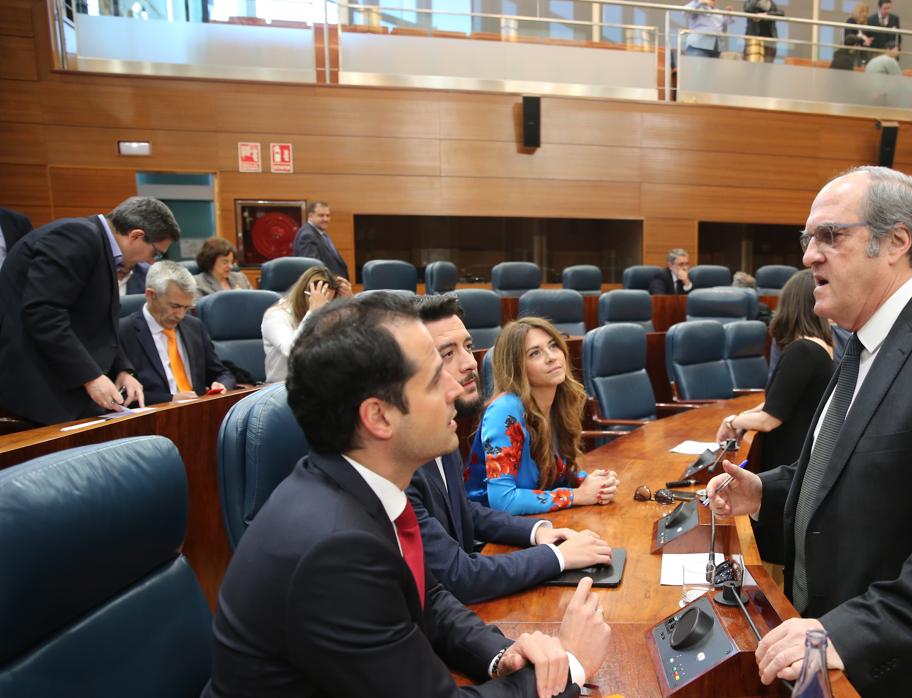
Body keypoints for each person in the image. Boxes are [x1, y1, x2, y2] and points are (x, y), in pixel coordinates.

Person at [705, 166, 912, 696]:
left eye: (830, 236)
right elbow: (842, 465)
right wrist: (764, 490)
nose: (809, 254)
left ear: (896, 243)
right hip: (852, 659)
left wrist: (844, 633)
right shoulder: (858, 344)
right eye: (807, 238)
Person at [205, 293, 611, 697]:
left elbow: (427, 596)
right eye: (436, 377)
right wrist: (571, 665)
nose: (457, 386)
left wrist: (501, 655)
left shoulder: (358, 486)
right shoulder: (336, 553)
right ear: (379, 416)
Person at [406, 295, 613, 604]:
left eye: (468, 345)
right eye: (447, 354)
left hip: (478, 573)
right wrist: (556, 552)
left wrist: (540, 529)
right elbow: (458, 573)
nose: (470, 362)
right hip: (478, 564)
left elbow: (464, 509)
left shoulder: (443, 434)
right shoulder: (500, 413)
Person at [0, 196, 179, 425]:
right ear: (136, 236)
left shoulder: (99, 245)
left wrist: (123, 370)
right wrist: (91, 376)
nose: (151, 262)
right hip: (35, 385)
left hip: (59, 380)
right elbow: (44, 314)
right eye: (156, 253)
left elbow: (99, 321)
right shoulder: (76, 236)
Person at [715, 270, 835, 564]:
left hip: (786, 457)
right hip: (799, 453)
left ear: (790, 305)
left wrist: (732, 422)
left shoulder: (802, 350)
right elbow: (775, 401)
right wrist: (740, 416)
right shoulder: (821, 348)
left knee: (773, 553)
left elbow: (771, 417)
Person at [467, 317, 619, 515]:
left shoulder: (557, 402)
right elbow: (502, 502)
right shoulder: (505, 411)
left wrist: (586, 480)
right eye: (535, 353)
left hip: (535, 523)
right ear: (517, 367)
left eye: (553, 346)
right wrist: (577, 495)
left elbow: (552, 474)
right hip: (488, 534)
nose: (551, 357)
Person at [118, 261, 235, 405]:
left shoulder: (194, 326)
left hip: (199, 413)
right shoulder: (123, 332)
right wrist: (170, 400)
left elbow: (222, 373)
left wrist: (221, 384)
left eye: (186, 307)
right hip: (153, 420)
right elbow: (119, 395)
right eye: (175, 306)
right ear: (150, 295)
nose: (180, 315)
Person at [262, 264, 354, 382]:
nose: (325, 308)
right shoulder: (276, 315)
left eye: (329, 302)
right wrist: (312, 312)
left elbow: (352, 346)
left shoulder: (324, 313)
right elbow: (291, 350)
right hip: (281, 388)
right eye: (323, 302)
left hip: (317, 386)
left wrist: (349, 306)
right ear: (304, 294)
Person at [292, 200, 349, 280]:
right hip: (322, 287)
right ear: (310, 216)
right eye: (321, 215)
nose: (325, 219)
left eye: (328, 215)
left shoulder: (320, 233)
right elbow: (312, 269)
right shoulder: (308, 235)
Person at [843, 2, 873, 66]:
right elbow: (848, 37)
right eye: (862, 11)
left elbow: (870, 37)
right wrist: (863, 38)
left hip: (863, 53)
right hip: (851, 52)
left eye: (866, 12)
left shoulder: (867, 23)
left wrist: (868, 41)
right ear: (857, 12)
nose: (865, 14)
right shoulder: (851, 21)